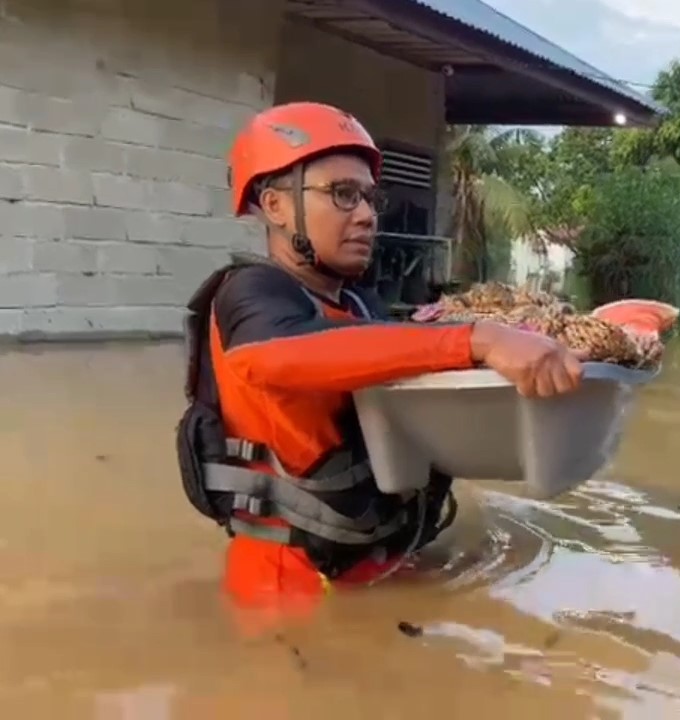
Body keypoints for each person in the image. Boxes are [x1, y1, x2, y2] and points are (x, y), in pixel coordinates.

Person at [175, 102, 583, 632]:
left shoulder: (362, 307)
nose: (367, 214)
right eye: (343, 194)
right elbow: (275, 357)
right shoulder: (251, 294)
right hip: (290, 591)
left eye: (370, 197)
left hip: (382, 567)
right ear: (274, 205)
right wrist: (478, 338)